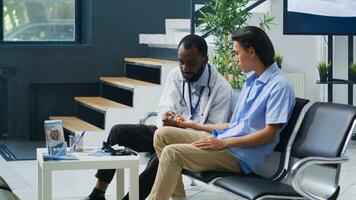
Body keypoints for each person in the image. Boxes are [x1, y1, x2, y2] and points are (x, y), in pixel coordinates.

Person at [147, 26, 296, 200]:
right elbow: (236, 125)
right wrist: (190, 125)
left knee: (173, 153)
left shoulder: (279, 86)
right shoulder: (252, 81)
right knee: (162, 135)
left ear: (252, 52)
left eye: (237, 53)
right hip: (228, 144)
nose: (235, 59)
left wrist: (224, 144)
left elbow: (269, 135)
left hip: (241, 157)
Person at [86, 34, 233, 200]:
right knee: (118, 132)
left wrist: (185, 125)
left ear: (205, 60)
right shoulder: (176, 75)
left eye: (191, 63)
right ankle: (98, 192)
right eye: (181, 62)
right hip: (165, 132)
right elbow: (165, 106)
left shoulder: (221, 88)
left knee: (162, 157)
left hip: (195, 141)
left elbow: (212, 131)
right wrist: (166, 116)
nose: (185, 68)